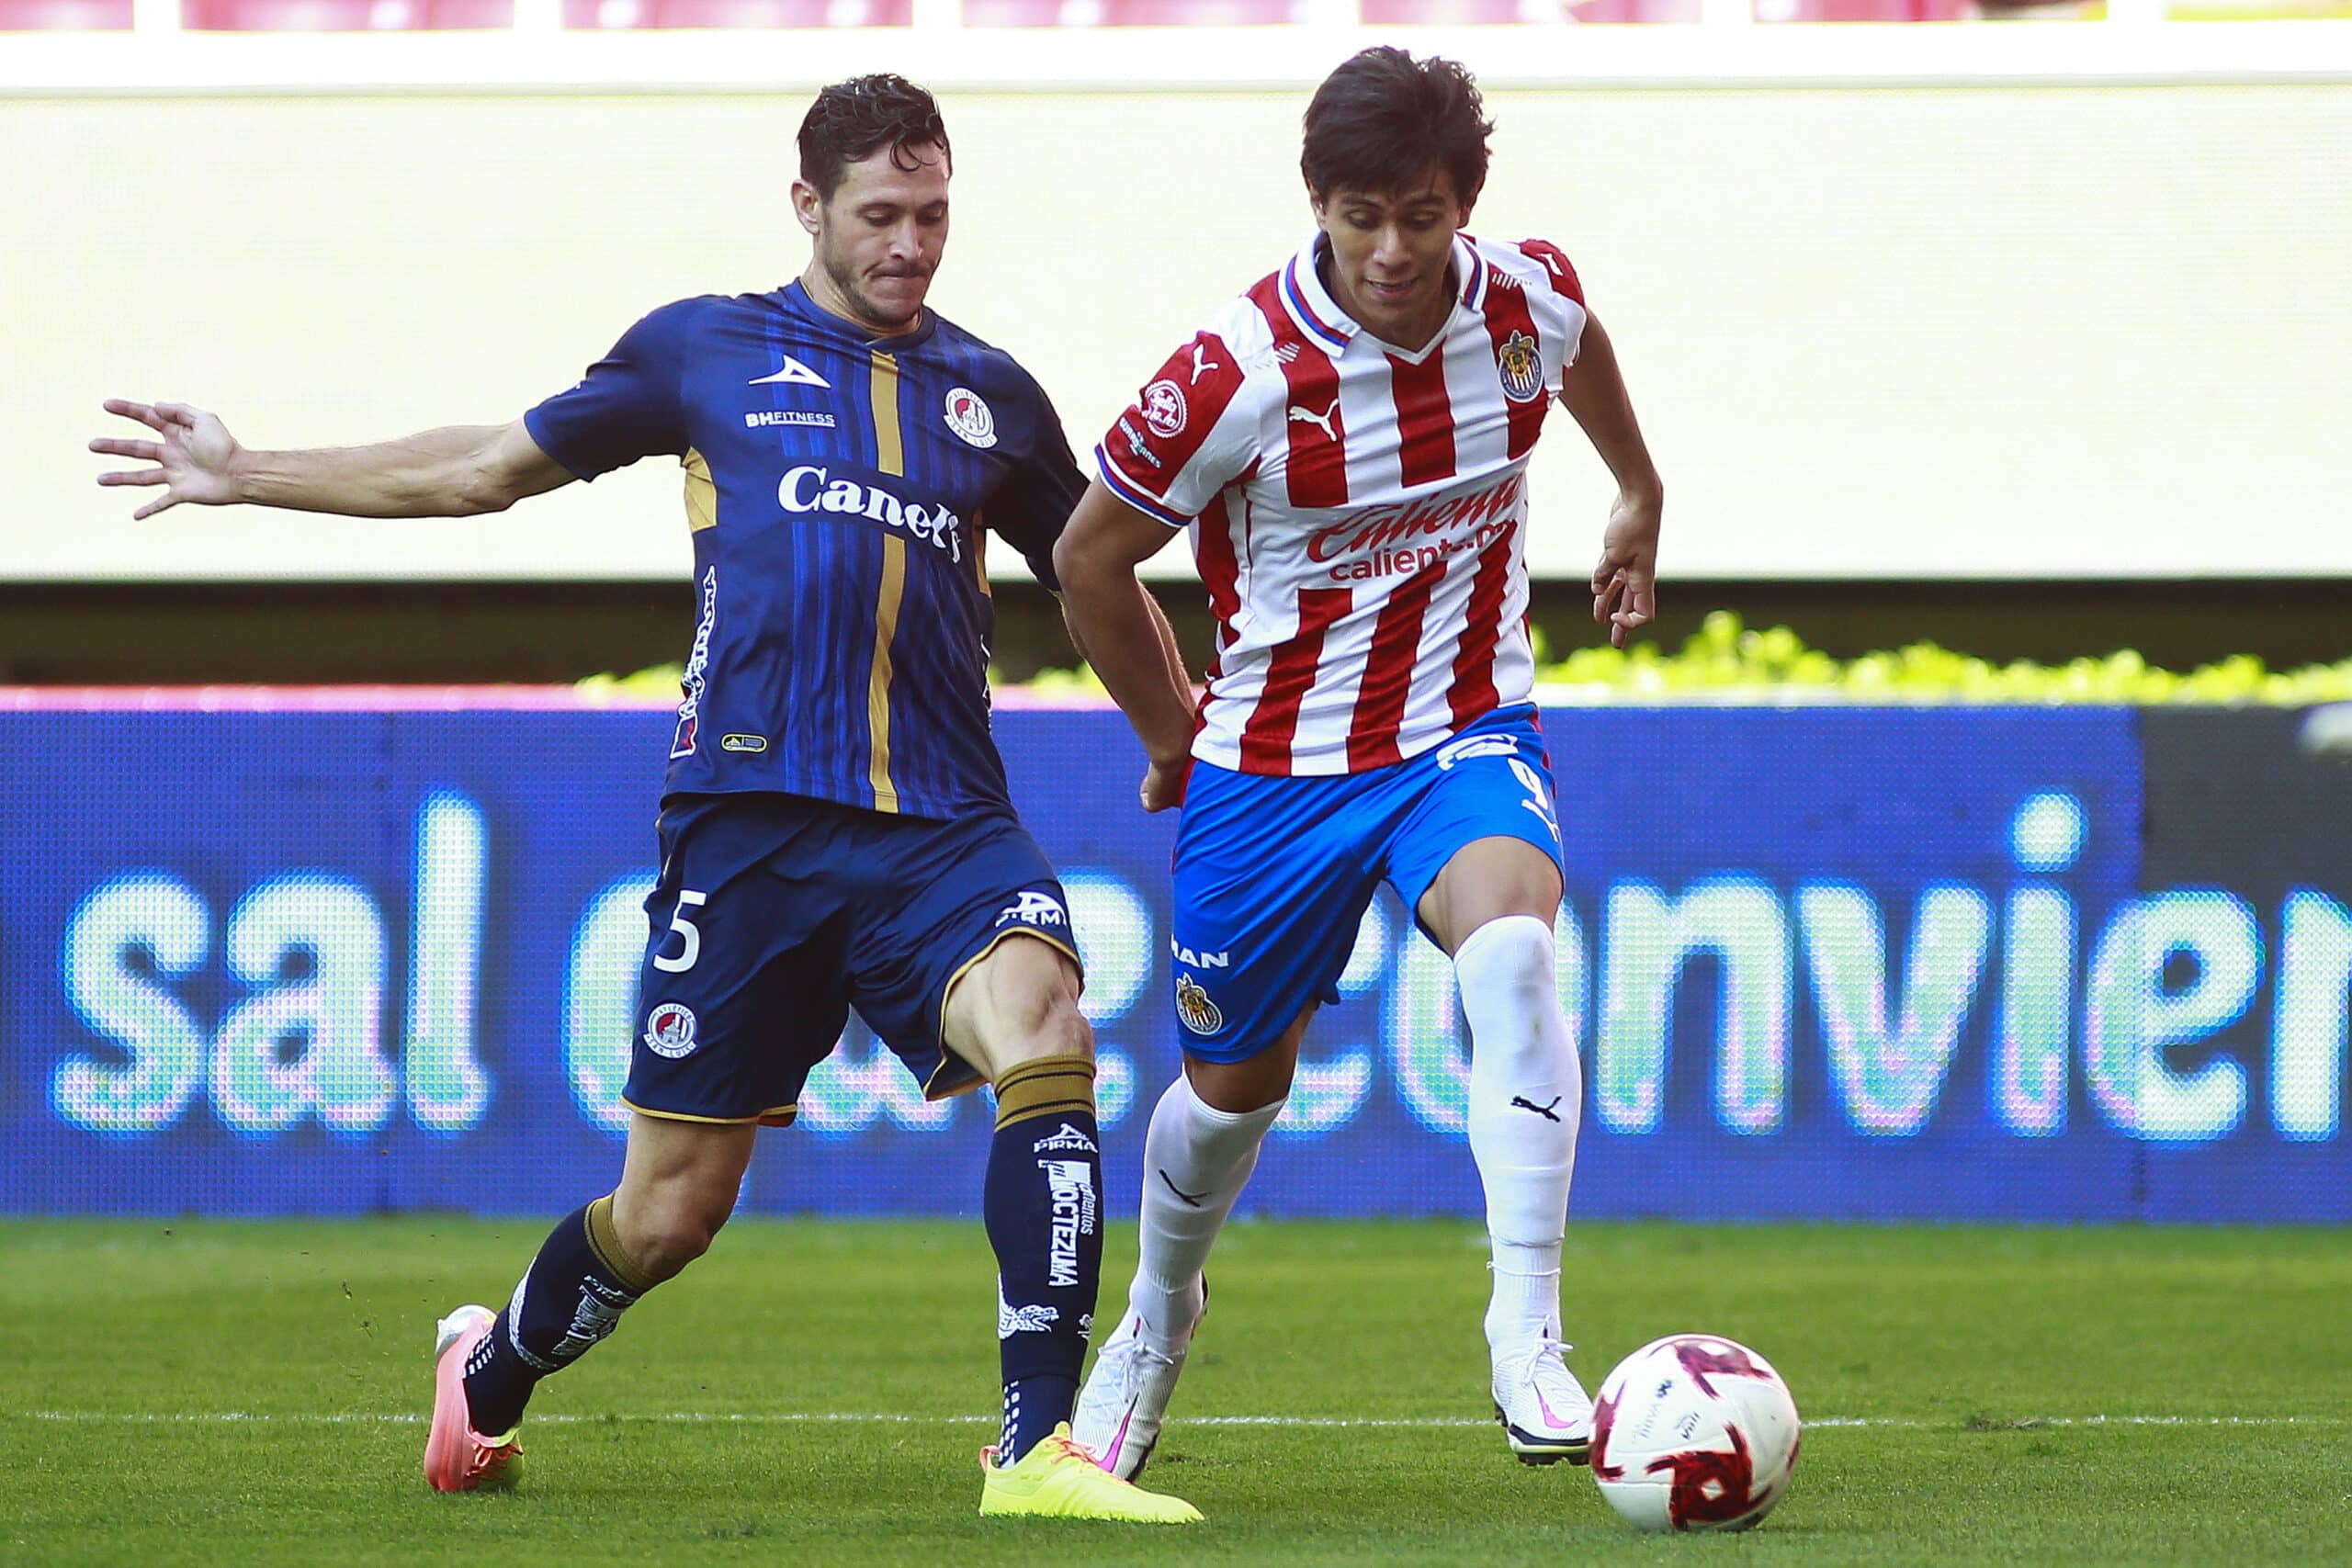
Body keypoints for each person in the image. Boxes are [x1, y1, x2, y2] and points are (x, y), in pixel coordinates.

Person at [89, 73, 1199, 1526]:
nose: (912, 244)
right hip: (749, 831)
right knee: (672, 1211)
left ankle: (1040, 1451)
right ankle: (487, 1376)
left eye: (933, 215)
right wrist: (251, 474)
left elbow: (1094, 570)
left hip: (944, 823)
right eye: (881, 215)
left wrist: (1187, 726)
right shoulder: (704, 352)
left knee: (1046, 1024)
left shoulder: (993, 396)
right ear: (806, 204)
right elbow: (484, 470)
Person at [1052, 46, 1663, 1480]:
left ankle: (1529, 1340)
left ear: (1467, 206)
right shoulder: (1238, 370)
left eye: (1425, 215)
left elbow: (1584, 357)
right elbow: (1089, 556)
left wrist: (1638, 489)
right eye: (1359, 217)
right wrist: (1165, 732)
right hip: (1273, 770)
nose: (1393, 251)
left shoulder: (1526, 296)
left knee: (1511, 953)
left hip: (1463, 731)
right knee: (1229, 1102)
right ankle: (1156, 1314)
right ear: (1317, 205)